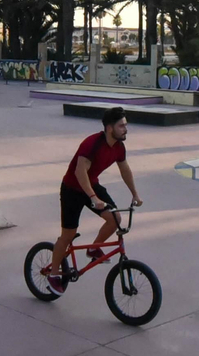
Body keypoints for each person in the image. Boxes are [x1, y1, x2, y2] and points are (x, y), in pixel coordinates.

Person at [47, 106, 142, 293]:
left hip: (92, 184)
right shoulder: (92, 144)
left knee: (115, 218)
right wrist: (93, 198)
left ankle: (94, 248)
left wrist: (135, 194)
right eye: (121, 126)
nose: (126, 129)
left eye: (126, 125)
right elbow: (79, 171)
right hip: (72, 189)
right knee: (68, 234)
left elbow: (125, 170)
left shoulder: (119, 147)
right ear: (109, 128)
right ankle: (53, 273)